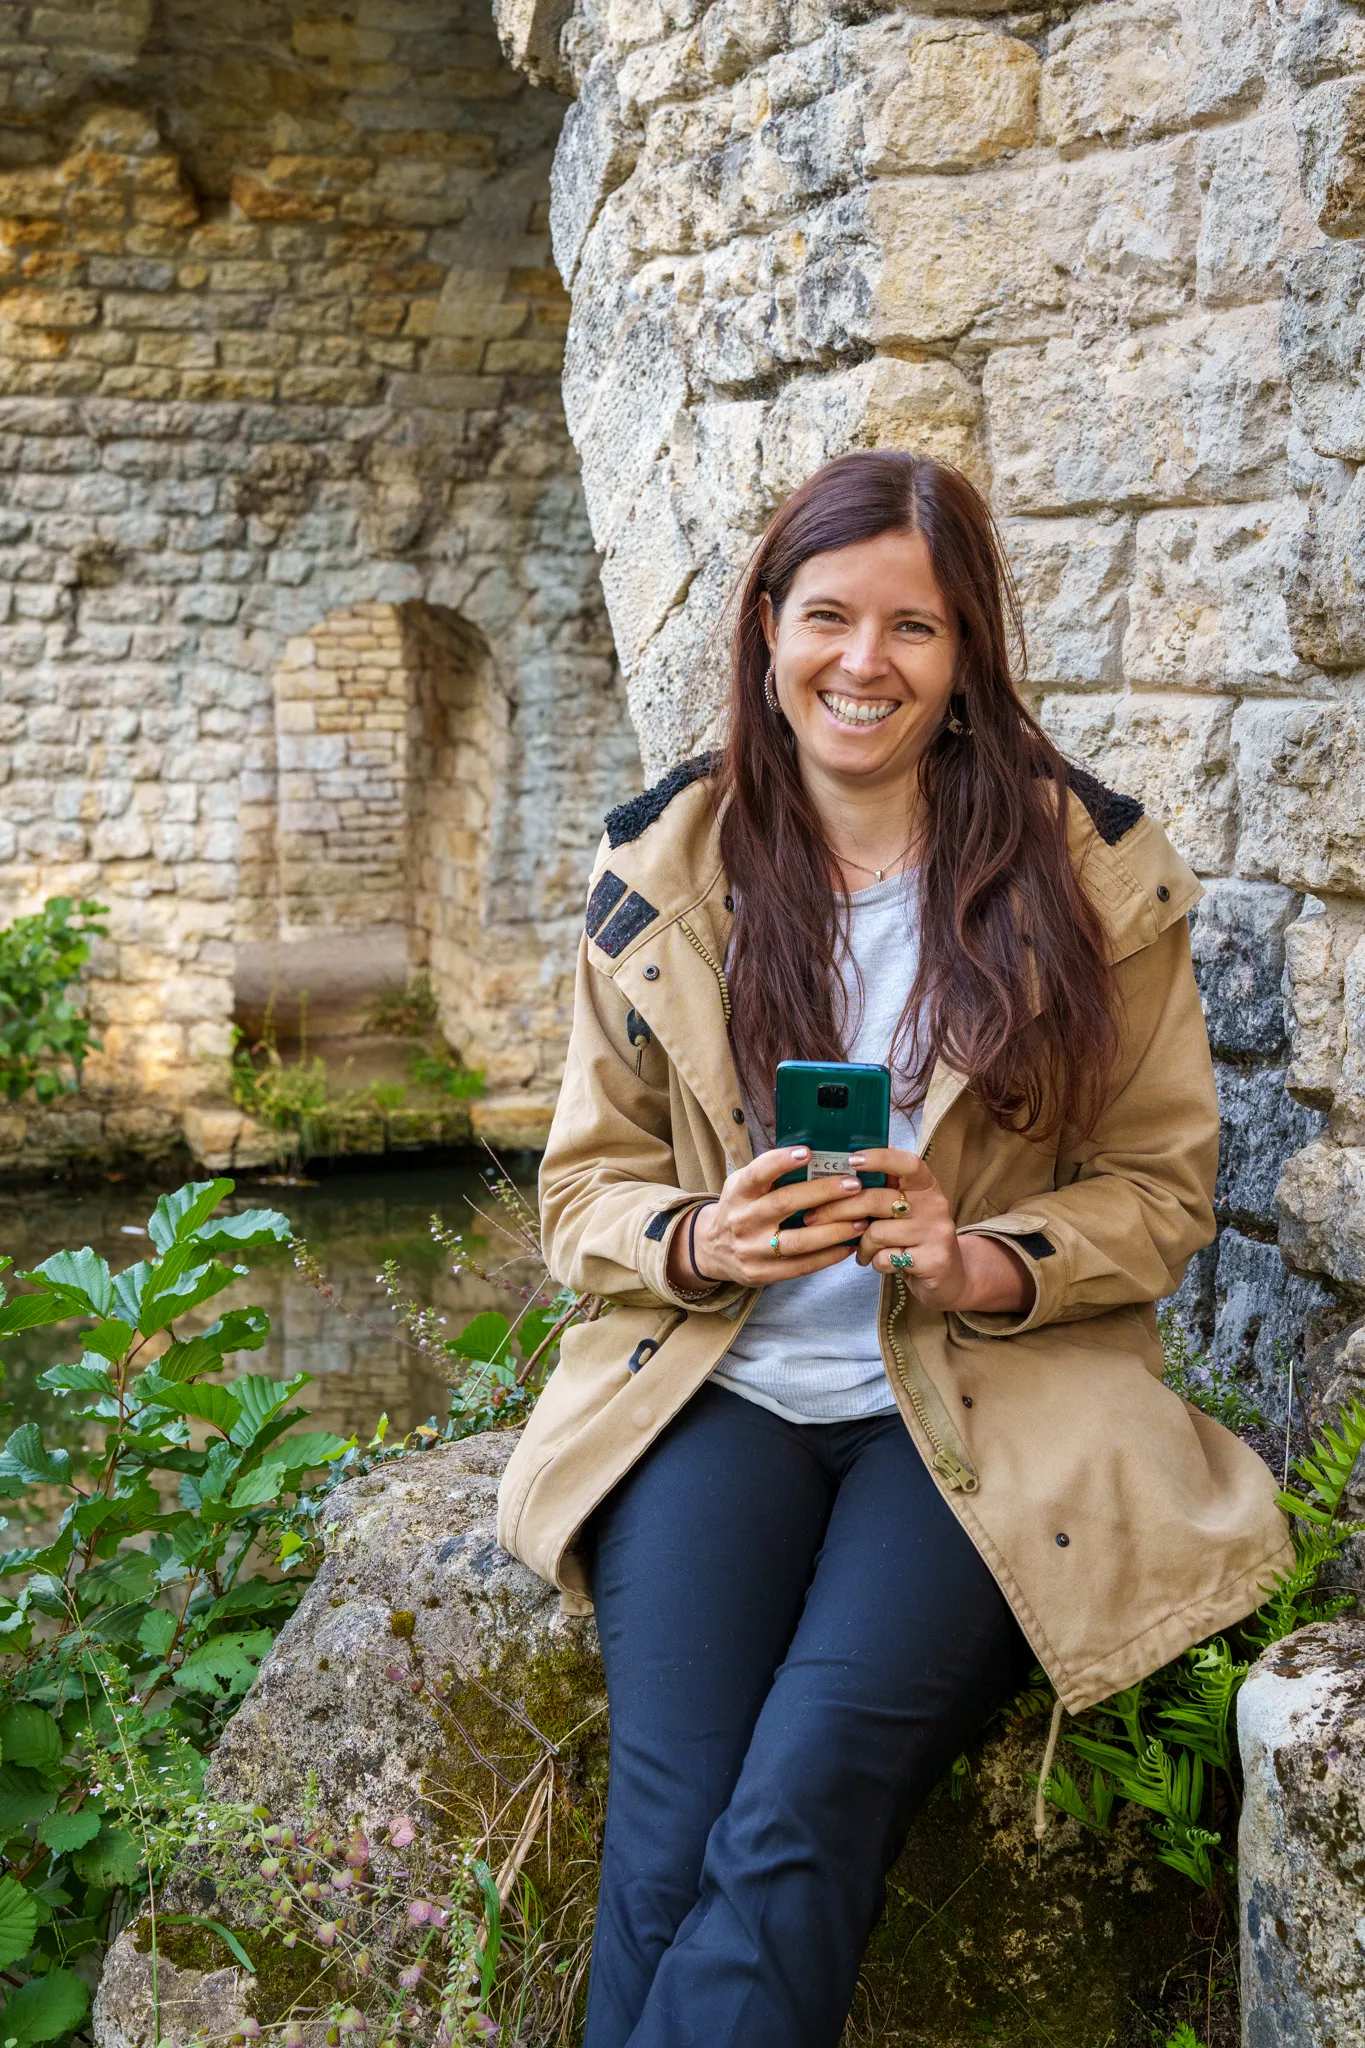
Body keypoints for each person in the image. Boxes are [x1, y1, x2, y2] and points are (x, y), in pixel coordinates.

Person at [496, 451, 1292, 2048]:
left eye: (913, 628)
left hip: (983, 1397)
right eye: (830, 616)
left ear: (966, 652)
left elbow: (1161, 1184)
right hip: (718, 1389)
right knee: (670, 1837)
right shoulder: (664, 872)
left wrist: (983, 1257)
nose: (865, 663)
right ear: (767, 630)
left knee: (804, 1801)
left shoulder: (1089, 876)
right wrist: (704, 1238)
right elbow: (585, 1195)